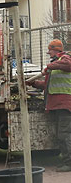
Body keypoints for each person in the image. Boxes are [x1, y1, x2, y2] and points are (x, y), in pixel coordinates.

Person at [27, 39, 71, 172]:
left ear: (56, 50)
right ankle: (67, 161)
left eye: (50, 50)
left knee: (64, 134)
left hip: (65, 105)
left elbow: (68, 64)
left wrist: (49, 66)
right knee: (62, 134)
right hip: (57, 105)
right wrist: (34, 84)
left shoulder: (65, 58)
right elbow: (48, 85)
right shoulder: (55, 65)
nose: (49, 53)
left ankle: (68, 163)